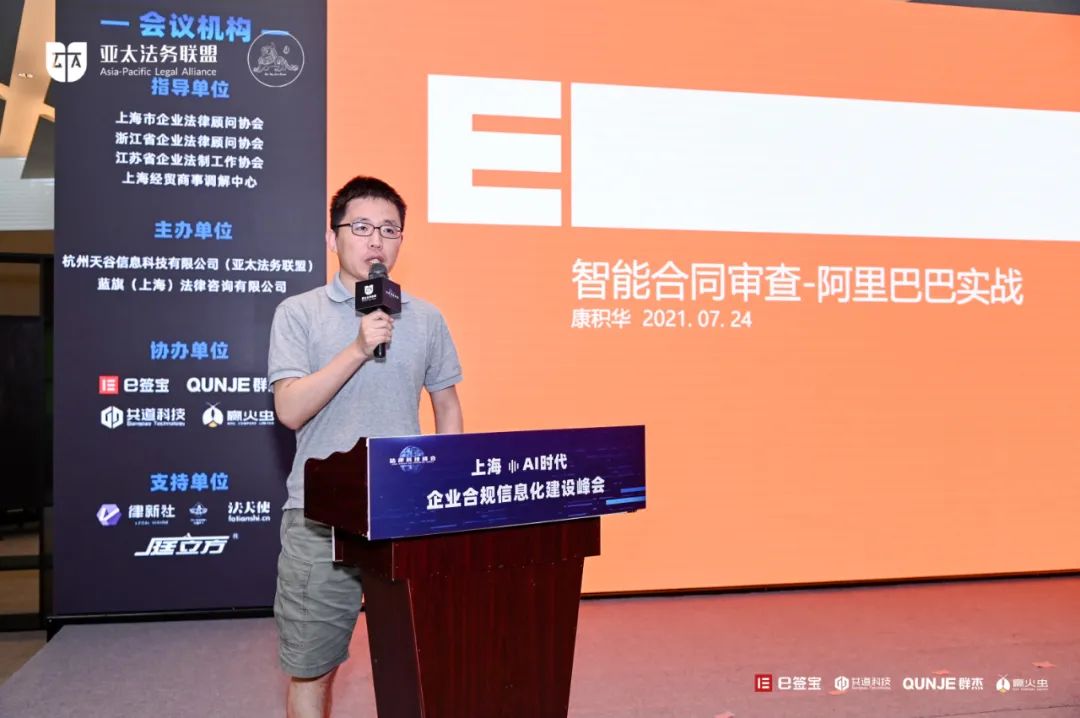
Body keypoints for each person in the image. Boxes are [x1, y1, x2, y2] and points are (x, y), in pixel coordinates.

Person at [267, 176, 464, 717]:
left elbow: (447, 406)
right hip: (320, 520)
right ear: (332, 238)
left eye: (389, 230)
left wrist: (445, 495)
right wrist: (358, 347)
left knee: (417, 657)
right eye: (361, 227)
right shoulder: (299, 313)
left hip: (404, 516)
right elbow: (290, 409)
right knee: (313, 666)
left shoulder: (425, 318)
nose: (376, 240)